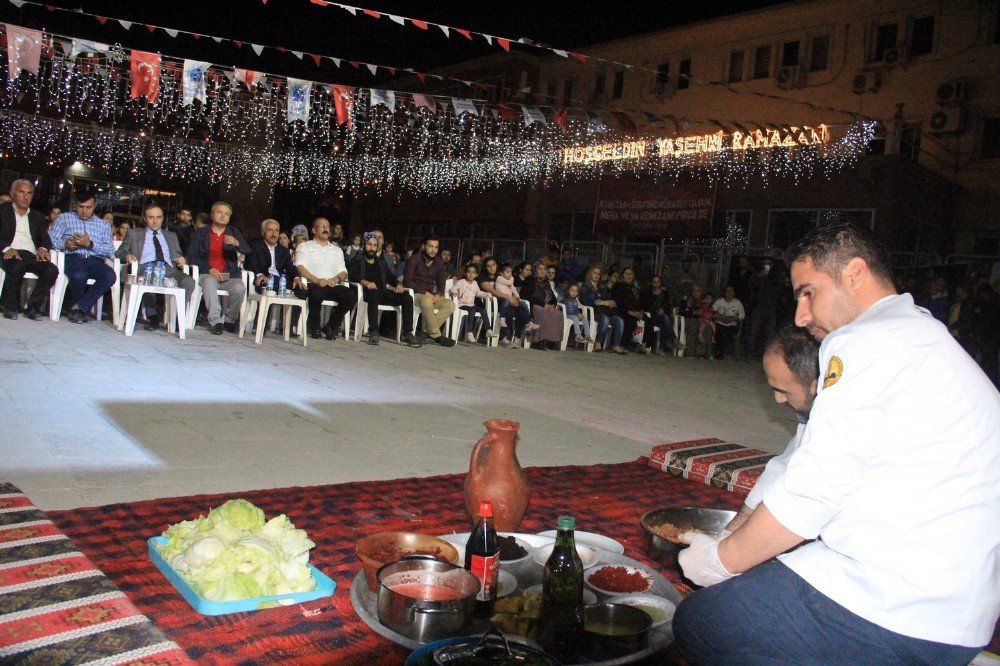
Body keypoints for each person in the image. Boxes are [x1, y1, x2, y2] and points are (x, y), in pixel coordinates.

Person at [674, 222, 1000, 665]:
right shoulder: (919, 336)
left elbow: (814, 489)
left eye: (808, 292)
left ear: (855, 274)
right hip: (956, 615)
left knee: (702, 623)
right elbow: (796, 462)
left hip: (892, 608)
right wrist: (740, 531)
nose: (800, 316)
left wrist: (721, 561)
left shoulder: (864, 341)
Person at [725, 325, 819, 532]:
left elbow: (802, 500)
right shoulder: (814, 410)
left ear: (815, 385)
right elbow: (783, 466)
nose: (778, 399)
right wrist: (730, 530)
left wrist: (722, 556)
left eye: (783, 391)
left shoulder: (845, 427)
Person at [114, 204, 196, 331]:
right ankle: (153, 317)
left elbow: (179, 255)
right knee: (149, 275)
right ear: (145, 219)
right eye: (151, 217)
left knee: (189, 281)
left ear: (163, 219)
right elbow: (119, 252)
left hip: (167, 268)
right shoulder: (134, 233)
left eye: (158, 217)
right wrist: (128, 255)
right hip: (143, 267)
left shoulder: (171, 236)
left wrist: (181, 259)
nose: (155, 220)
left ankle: (177, 317)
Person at [49, 186, 116, 324]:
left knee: (110, 275)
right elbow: (51, 240)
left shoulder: (103, 225)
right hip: (73, 258)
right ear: (76, 205)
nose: (84, 211)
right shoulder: (64, 218)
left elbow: (109, 250)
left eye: (88, 207)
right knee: (80, 275)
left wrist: (90, 244)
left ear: (95, 205)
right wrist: (65, 244)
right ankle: (79, 310)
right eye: (81, 207)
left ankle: (79, 308)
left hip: (95, 260)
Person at [187, 201, 250, 335]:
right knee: (209, 282)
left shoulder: (233, 232)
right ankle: (216, 322)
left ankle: (229, 320)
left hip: (229, 275)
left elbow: (248, 250)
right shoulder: (202, 233)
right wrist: (210, 269)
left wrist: (236, 242)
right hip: (208, 273)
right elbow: (192, 256)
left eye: (226, 214)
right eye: (219, 212)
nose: (223, 216)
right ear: (212, 214)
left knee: (240, 287)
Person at [0, 179, 58, 321]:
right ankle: (9, 306)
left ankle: (32, 307)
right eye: (21, 192)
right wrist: (7, 248)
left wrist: (43, 248)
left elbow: (45, 239)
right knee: (16, 265)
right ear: (13, 194)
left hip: (30, 255)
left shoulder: (37, 216)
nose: (26, 197)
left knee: (51, 270)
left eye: (29, 193)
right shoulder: (3, 211)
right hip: (8, 252)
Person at [348, 231, 418, 347]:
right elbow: (352, 275)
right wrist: (365, 282)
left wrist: (397, 284)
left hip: (382, 293)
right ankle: (374, 332)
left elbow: (390, 276)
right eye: (369, 244)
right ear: (364, 245)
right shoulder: (358, 259)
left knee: (407, 298)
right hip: (365, 293)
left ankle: (407, 333)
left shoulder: (380, 262)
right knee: (374, 293)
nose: (372, 248)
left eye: (374, 245)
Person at [294, 217, 356, 340]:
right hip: (313, 283)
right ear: (314, 230)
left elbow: (343, 271)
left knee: (350, 295)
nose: (325, 229)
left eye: (327, 226)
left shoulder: (336, 250)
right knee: (317, 292)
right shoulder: (304, 246)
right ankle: (314, 327)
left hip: (332, 284)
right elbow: (299, 266)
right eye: (322, 226)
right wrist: (316, 280)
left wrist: (336, 279)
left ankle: (331, 326)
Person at [404, 236, 456, 347]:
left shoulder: (439, 262)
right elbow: (407, 282)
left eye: (436, 247)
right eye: (430, 246)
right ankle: (437, 335)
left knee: (450, 305)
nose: (433, 250)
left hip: (431, 295)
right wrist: (425, 292)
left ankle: (426, 332)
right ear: (424, 246)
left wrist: (439, 294)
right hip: (414, 293)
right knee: (427, 300)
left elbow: (441, 283)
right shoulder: (414, 259)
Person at [520, 262, 565, 351]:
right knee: (542, 311)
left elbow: (553, 297)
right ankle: (536, 341)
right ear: (535, 271)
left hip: (547, 305)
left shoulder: (546, 282)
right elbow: (526, 296)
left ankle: (551, 341)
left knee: (558, 314)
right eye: (539, 269)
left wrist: (552, 305)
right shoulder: (530, 280)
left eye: (544, 269)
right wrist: (544, 305)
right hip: (534, 305)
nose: (542, 271)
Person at [579, 265, 624, 353]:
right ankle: (598, 342)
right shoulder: (585, 287)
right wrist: (602, 302)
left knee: (619, 320)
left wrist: (610, 303)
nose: (596, 275)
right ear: (590, 274)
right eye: (594, 273)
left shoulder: (602, 288)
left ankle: (616, 345)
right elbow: (587, 302)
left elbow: (607, 300)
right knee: (605, 319)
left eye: (598, 274)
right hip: (592, 313)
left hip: (604, 312)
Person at [611, 267, 656, 354]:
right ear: (622, 276)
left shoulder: (634, 288)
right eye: (626, 273)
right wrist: (630, 312)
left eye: (631, 274)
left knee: (649, 320)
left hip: (635, 311)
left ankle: (643, 345)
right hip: (623, 311)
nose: (629, 276)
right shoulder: (618, 286)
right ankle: (623, 345)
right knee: (630, 320)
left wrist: (640, 311)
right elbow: (618, 301)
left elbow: (639, 302)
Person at [246, 219, 297, 294]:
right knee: (268, 283)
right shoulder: (255, 246)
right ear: (263, 233)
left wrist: (297, 278)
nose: (274, 234)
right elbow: (251, 264)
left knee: (301, 289)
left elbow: (290, 267)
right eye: (270, 230)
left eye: (276, 231)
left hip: (280, 280)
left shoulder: (283, 250)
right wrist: (260, 275)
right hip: (264, 279)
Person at [640, 274, 681, 355]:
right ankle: (673, 340)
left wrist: (663, 309)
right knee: (665, 321)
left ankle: (662, 347)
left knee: (665, 318)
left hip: (660, 317)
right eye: (654, 282)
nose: (656, 284)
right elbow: (643, 305)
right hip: (650, 316)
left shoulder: (665, 294)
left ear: (661, 282)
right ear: (651, 283)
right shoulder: (647, 292)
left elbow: (668, 307)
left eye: (658, 282)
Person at [450, 263, 490, 343]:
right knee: (473, 310)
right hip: (462, 304)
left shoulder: (475, 283)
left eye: (473, 272)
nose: (471, 274)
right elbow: (453, 289)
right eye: (469, 272)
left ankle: (488, 330)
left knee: (483, 310)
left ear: (476, 274)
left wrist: (487, 295)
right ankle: (469, 331)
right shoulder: (461, 282)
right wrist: (454, 292)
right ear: (465, 273)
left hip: (471, 305)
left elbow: (478, 293)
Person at [712, 285, 746, 359]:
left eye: (731, 291)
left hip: (731, 324)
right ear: (724, 292)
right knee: (719, 333)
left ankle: (721, 352)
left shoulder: (737, 302)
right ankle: (718, 352)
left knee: (728, 333)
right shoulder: (719, 301)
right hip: (720, 323)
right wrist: (719, 316)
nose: (729, 293)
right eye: (727, 291)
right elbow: (712, 311)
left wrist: (734, 318)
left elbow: (742, 315)